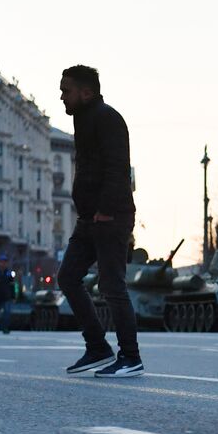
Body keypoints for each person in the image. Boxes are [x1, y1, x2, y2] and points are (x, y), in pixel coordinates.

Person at [56, 64, 144, 377]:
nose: (62, 96)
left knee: (112, 285)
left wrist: (105, 209)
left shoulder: (107, 117)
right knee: (67, 277)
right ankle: (97, 347)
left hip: (111, 215)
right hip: (89, 218)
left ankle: (130, 357)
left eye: (66, 90)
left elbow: (117, 167)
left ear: (87, 92)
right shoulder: (84, 119)